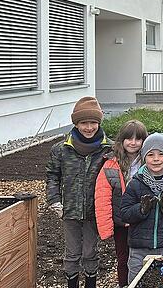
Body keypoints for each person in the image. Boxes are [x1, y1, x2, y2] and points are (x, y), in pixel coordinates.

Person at [45, 96, 112, 288]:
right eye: (84, 123)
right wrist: (54, 201)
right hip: (70, 210)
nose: (89, 128)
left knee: (90, 251)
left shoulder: (108, 149)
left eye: (93, 123)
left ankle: (91, 283)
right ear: (76, 123)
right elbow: (52, 176)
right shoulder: (61, 149)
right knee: (72, 253)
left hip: (95, 211)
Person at [119, 133, 163, 282]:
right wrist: (141, 209)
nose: (156, 159)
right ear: (144, 156)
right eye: (151, 154)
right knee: (137, 280)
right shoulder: (136, 182)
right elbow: (125, 213)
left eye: (161, 154)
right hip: (139, 246)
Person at [94, 120, 147, 288]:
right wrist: (106, 227)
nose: (133, 143)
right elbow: (102, 196)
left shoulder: (149, 160)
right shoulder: (110, 164)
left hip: (143, 219)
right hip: (121, 221)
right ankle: (124, 284)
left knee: (142, 256)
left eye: (138, 139)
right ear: (121, 140)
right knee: (123, 258)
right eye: (129, 139)